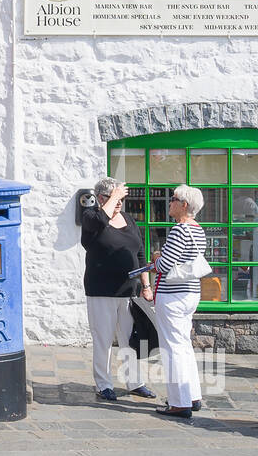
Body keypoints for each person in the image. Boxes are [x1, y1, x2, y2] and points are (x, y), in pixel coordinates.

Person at [80, 178, 156, 402]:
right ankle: (103, 384)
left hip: (129, 291)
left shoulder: (129, 220)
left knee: (130, 339)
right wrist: (112, 198)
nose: (120, 202)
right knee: (103, 339)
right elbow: (98, 222)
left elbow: (140, 253)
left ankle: (135, 382)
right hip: (101, 290)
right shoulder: (91, 217)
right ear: (101, 198)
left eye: (122, 198)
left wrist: (146, 285)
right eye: (116, 198)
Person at [150, 184, 208, 419]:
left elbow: (164, 266)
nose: (169, 202)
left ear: (184, 205)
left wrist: (156, 257)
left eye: (173, 199)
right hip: (190, 293)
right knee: (183, 346)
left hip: (172, 295)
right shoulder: (198, 230)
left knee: (172, 349)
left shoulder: (179, 230)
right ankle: (192, 396)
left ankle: (179, 402)